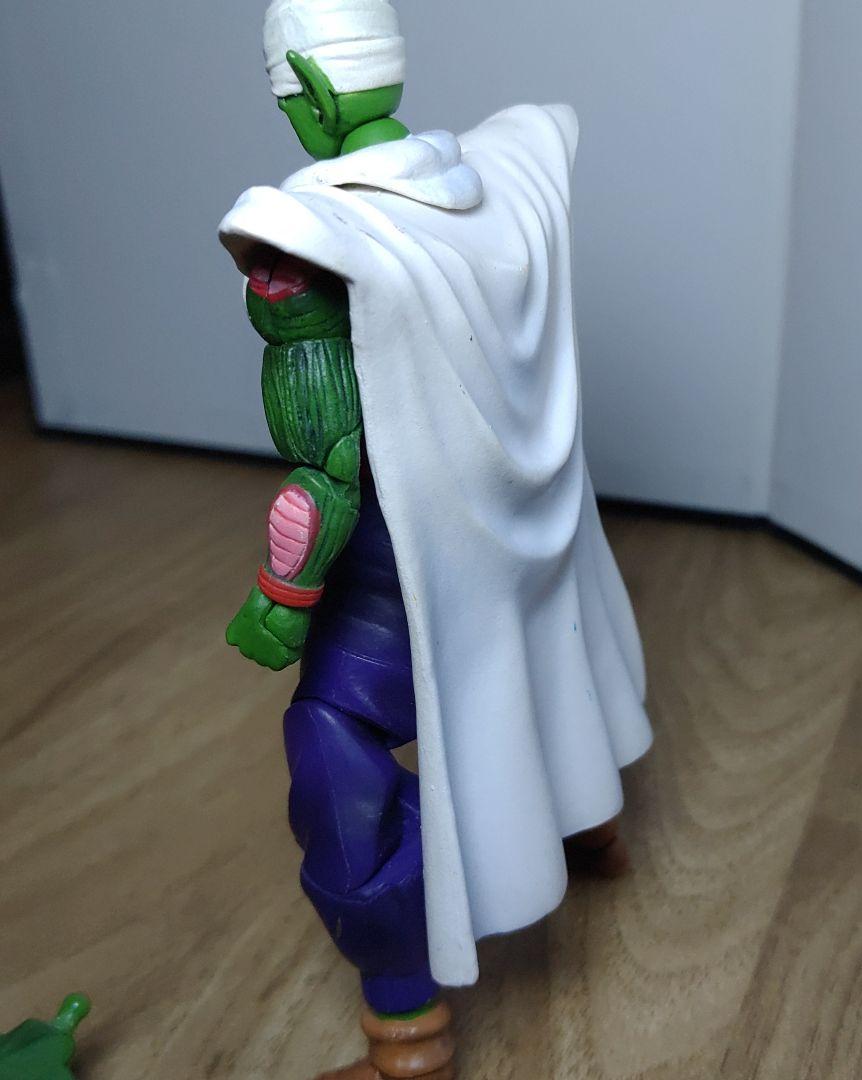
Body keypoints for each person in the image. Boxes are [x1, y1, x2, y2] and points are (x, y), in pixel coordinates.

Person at [219, 2, 653, 1075]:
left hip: (406, 569)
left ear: (312, 94)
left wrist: (281, 599)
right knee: (547, 658)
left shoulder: (311, 237)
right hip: (531, 532)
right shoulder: (503, 182)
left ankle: (405, 1031)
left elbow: (324, 474)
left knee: (331, 743)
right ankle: (591, 824)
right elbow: (543, 129)